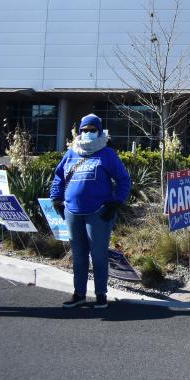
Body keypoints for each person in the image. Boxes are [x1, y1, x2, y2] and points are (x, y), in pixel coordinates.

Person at [50, 114, 131, 309]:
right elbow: (59, 177)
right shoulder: (71, 153)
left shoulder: (107, 155)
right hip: (72, 212)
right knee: (78, 255)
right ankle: (79, 294)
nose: (87, 133)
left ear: (100, 132)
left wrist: (116, 202)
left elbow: (124, 180)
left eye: (92, 130)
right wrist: (56, 198)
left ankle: (101, 295)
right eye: (84, 130)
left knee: (98, 254)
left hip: (98, 213)